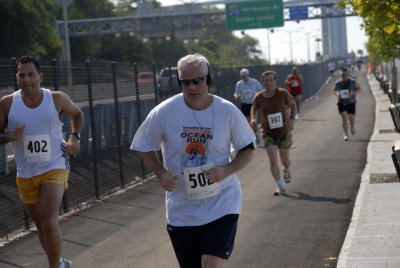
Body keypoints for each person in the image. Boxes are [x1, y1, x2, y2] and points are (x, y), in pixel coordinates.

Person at [130, 53, 255, 268]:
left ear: (208, 79)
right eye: (185, 82)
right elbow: (143, 145)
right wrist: (161, 173)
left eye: (197, 80)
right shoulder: (164, 112)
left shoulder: (227, 111)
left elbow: (248, 149)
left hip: (222, 202)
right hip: (182, 209)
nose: (192, 87)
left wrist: (226, 170)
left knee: (212, 265)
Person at [0, 55, 84, 268]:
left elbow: (77, 114)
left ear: (40, 76)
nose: (26, 79)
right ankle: (59, 262)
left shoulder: (56, 98)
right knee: (40, 225)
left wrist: (74, 137)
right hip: (26, 172)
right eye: (22, 75)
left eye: (31, 74)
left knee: (48, 221)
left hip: (55, 165)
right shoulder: (7, 104)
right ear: (17, 78)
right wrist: (9, 137)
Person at [250, 70, 296, 196]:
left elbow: (293, 104)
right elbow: (253, 109)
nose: (268, 83)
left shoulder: (282, 93)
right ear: (262, 82)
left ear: (275, 81)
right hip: (268, 132)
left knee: (285, 161)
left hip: (284, 131)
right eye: (266, 80)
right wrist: (253, 119)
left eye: (271, 80)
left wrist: (292, 119)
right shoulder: (259, 97)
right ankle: (279, 185)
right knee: (272, 160)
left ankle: (286, 169)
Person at [332, 67, 362, 141]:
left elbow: (359, 88)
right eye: (342, 75)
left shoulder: (353, 82)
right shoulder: (338, 83)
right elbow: (333, 91)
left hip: (351, 103)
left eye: (345, 75)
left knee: (351, 120)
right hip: (341, 103)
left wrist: (353, 92)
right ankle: (346, 134)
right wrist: (337, 94)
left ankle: (352, 126)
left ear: (348, 74)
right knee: (344, 119)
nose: (344, 76)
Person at [234, 68, 263, 142]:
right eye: (243, 76)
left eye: (246, 76)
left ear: (248, 75)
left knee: (253, 120)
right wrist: (236, 96)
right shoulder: (239, 84)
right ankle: (251, 136)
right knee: (247, 122)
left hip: (253, 104)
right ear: (241, 76)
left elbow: (261, 90)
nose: (245, 78)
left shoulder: (254, 82)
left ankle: (256, 135)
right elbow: (236, 93)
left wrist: (258, 97)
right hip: (245, 104)